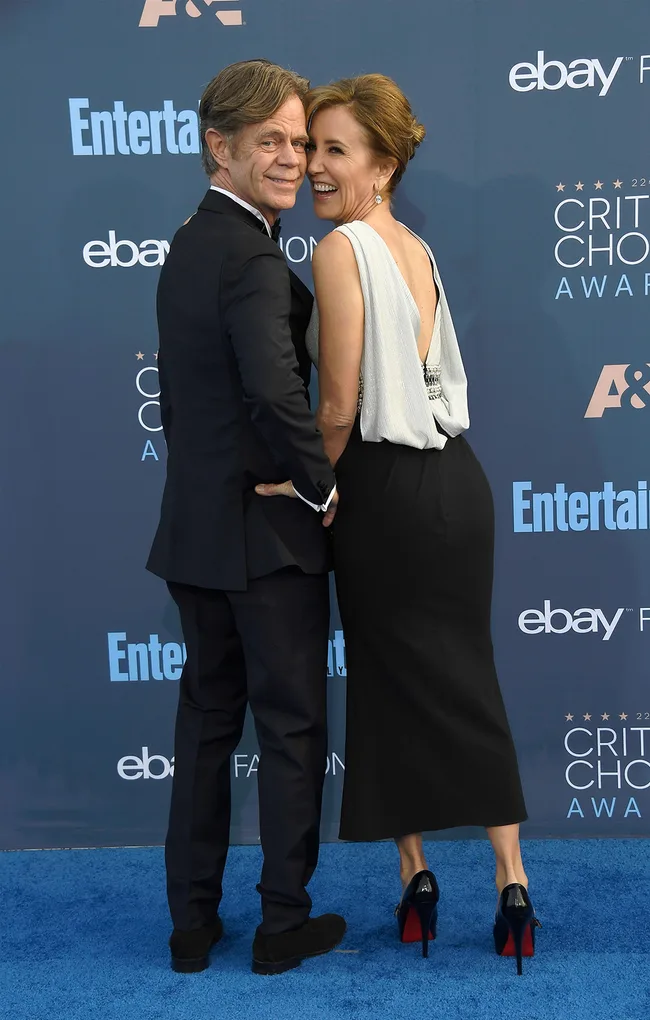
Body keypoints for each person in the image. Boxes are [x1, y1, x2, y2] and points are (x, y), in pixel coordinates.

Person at [256, 74, 538, 975]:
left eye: (335, 151)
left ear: (384, 164)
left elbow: (336, 406)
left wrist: (305, 484)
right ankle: (512, 886)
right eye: (313, 149)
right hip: (459, 486)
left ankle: (416, 882)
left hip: (384, 493)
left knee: (386, 680)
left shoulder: (340, 250)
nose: (315, 169)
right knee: (467, 676)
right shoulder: (412, 244)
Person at [146, 59, 346, 977]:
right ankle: (280, 925)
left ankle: (191, 928)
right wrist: (320, 485)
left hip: (194, 532)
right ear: (216, 148)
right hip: (266, 541)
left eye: (300, 141)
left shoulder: (190, 242)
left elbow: (193, 408)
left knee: (205, 728)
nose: (292, 158)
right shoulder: (256, 256)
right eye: (270, 140)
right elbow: (273, 387)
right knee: (293, 730)